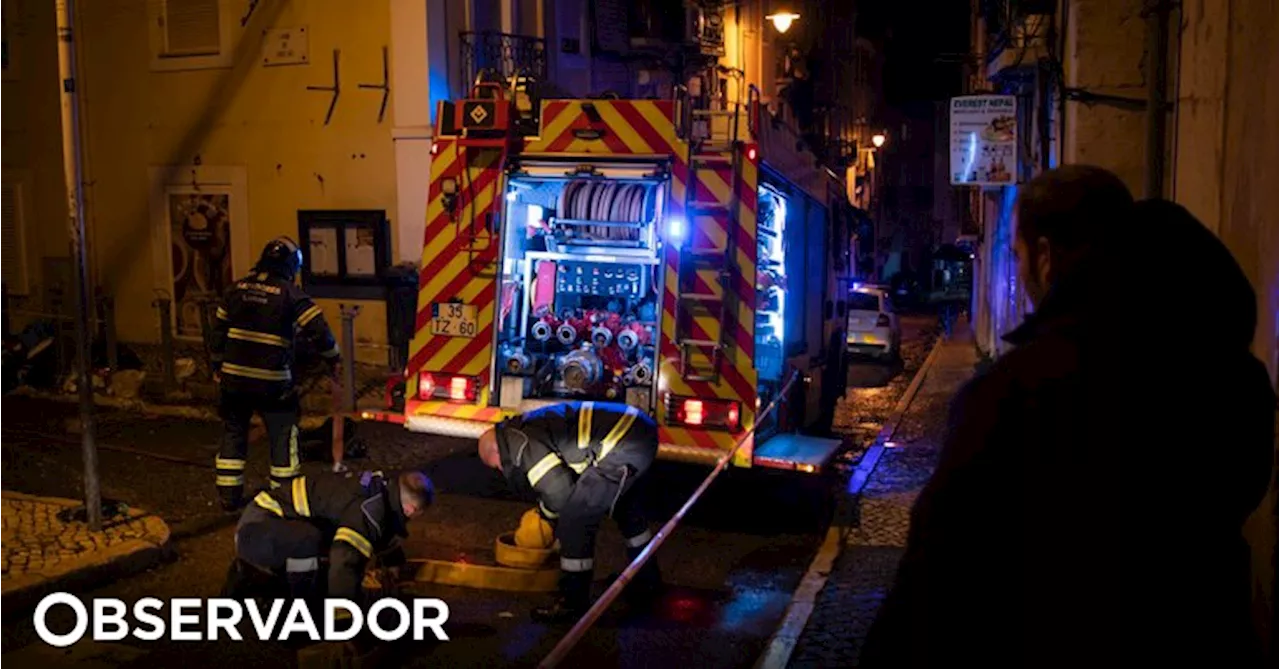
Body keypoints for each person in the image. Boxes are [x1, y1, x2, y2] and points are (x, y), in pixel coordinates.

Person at [860, 166, 1275, 668]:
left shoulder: (1014, 394)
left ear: (1045, 255)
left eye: (1017, 257)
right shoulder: (1230, 375)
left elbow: (935, 585)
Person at [477, 401, 663, 622]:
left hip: (624, 442)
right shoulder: (522, 429)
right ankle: (647, 580)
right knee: (626, 510)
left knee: (576, 517)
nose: (501, 468)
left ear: (497, 449)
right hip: (635, 433)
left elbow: (559, 493)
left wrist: (544, 518)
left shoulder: (519, 444)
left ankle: (573, 603)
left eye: (496, 465)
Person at [209, 236, 341, 511]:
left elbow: (217, 331)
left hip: (233, 380)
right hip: (272, 383)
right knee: (283, 433)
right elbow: (319, 331)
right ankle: (283, 496)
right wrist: (334, 360)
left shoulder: (234, 290)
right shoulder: (291, 294)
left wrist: (216, 366)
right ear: (291, 266)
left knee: (234, 431)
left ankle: (228, 497)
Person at [222, 469, 434, 602]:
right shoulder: (370, 511)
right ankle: (296, 609)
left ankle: (265, 578)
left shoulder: (383, 491)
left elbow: (381, 530)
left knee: (320, 548)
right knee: (311, 544)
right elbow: (345, 561)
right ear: (410, 509)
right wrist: (344, 618)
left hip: (270, 526)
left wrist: (393, 563)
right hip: (257, 530)